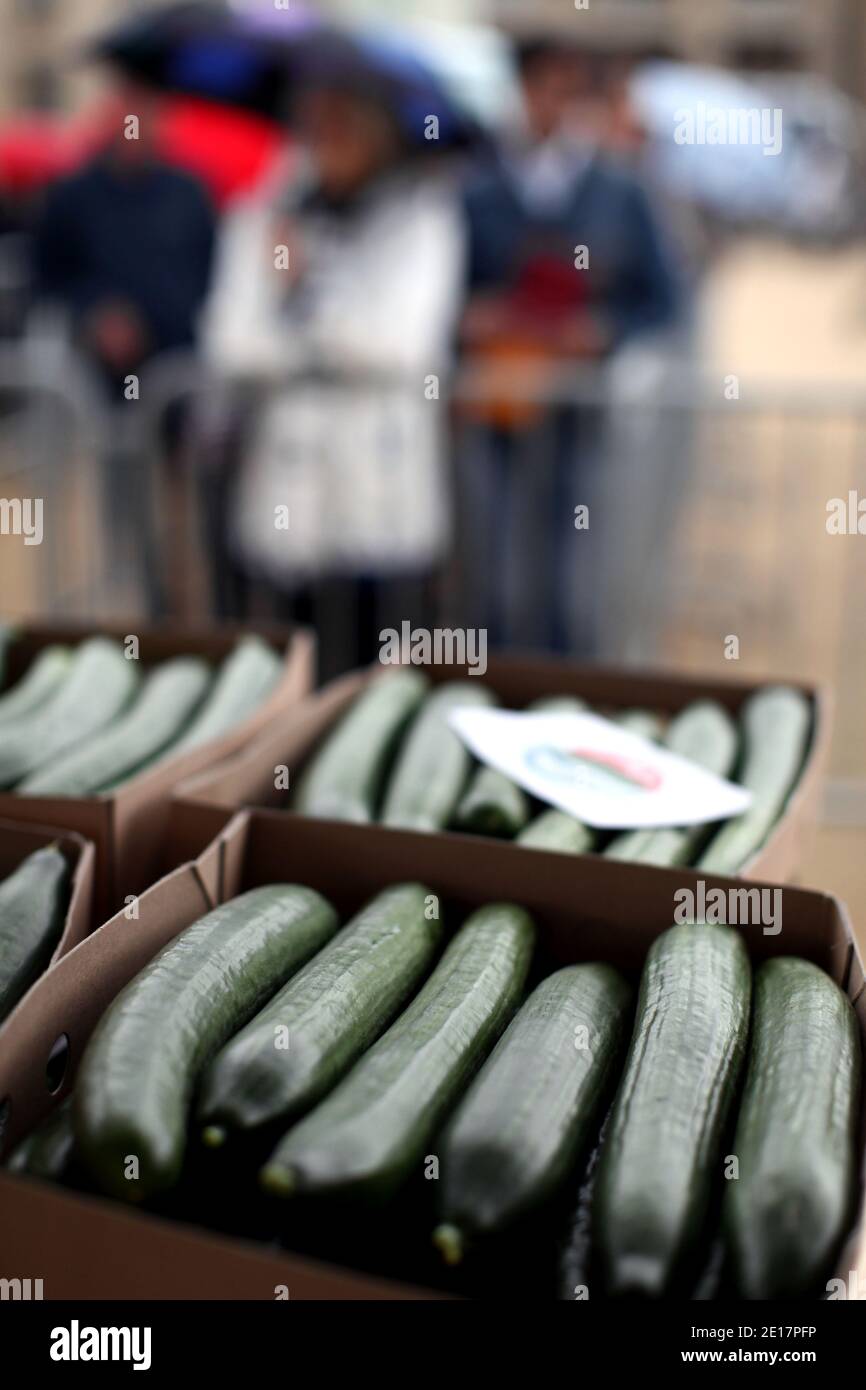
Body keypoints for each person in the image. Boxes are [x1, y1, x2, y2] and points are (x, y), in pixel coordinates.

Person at [202, 76, 464, 677]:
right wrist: (302, 327)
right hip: (289, 494)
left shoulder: (419, 218)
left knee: (385, 670)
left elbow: (401, 346)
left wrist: (304, 293)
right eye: (315, 125)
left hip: (382, 493)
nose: (328, 141)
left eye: (343, 124)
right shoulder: (263, 216)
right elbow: (231, 343)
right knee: (298, 664)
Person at [458, 37, 683, 655]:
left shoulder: (619, 191)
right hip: (499, 402)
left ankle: (566, 680)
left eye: (564, 90)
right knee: (497, 564)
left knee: (572, 566)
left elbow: (664, 297)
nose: (550, 106)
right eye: (539, 88)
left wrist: (603, 331)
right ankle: (501, 679)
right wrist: (475, 319)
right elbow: (451, 292)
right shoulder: (477, 188)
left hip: (580, 410)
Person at [33, 81, 216, 612]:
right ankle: (137, 602)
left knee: (186, 506)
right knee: (123, 504)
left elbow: (207, 277)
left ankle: (179, 605)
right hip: (107, 387)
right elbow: (53, 276)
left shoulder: (187, 192)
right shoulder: (74, 194)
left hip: (179, 377)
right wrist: (97, 317)